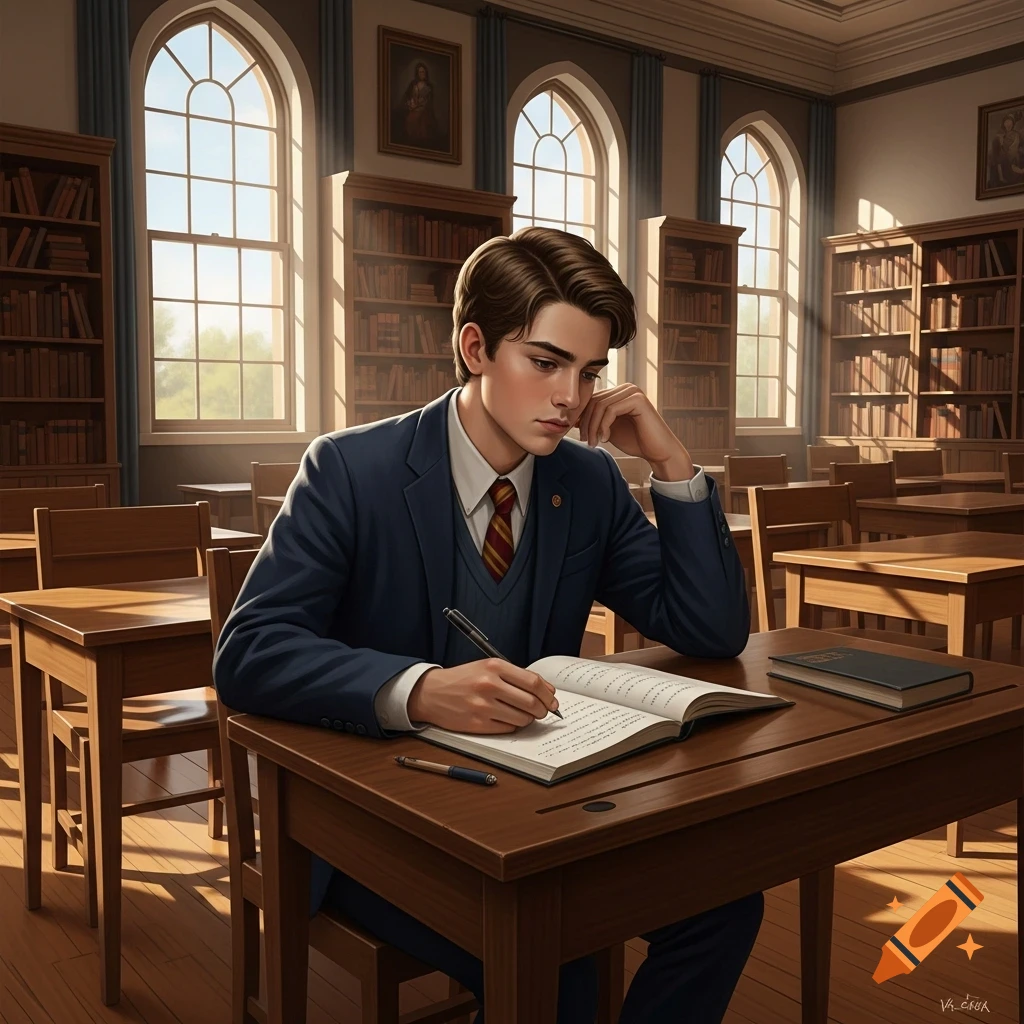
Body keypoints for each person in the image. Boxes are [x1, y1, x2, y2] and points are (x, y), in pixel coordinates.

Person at [214, 226, 763, 1023]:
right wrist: (420, 691)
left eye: (590, 371)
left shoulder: (591, 480)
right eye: (545, 363)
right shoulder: (349, 468)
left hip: (548, 805)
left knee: (725, 904)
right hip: (381, 820)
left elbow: (709, 629)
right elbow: (251, 650)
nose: (571, 398)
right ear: (475, 347)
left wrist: (674, 469)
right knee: (564, 955)